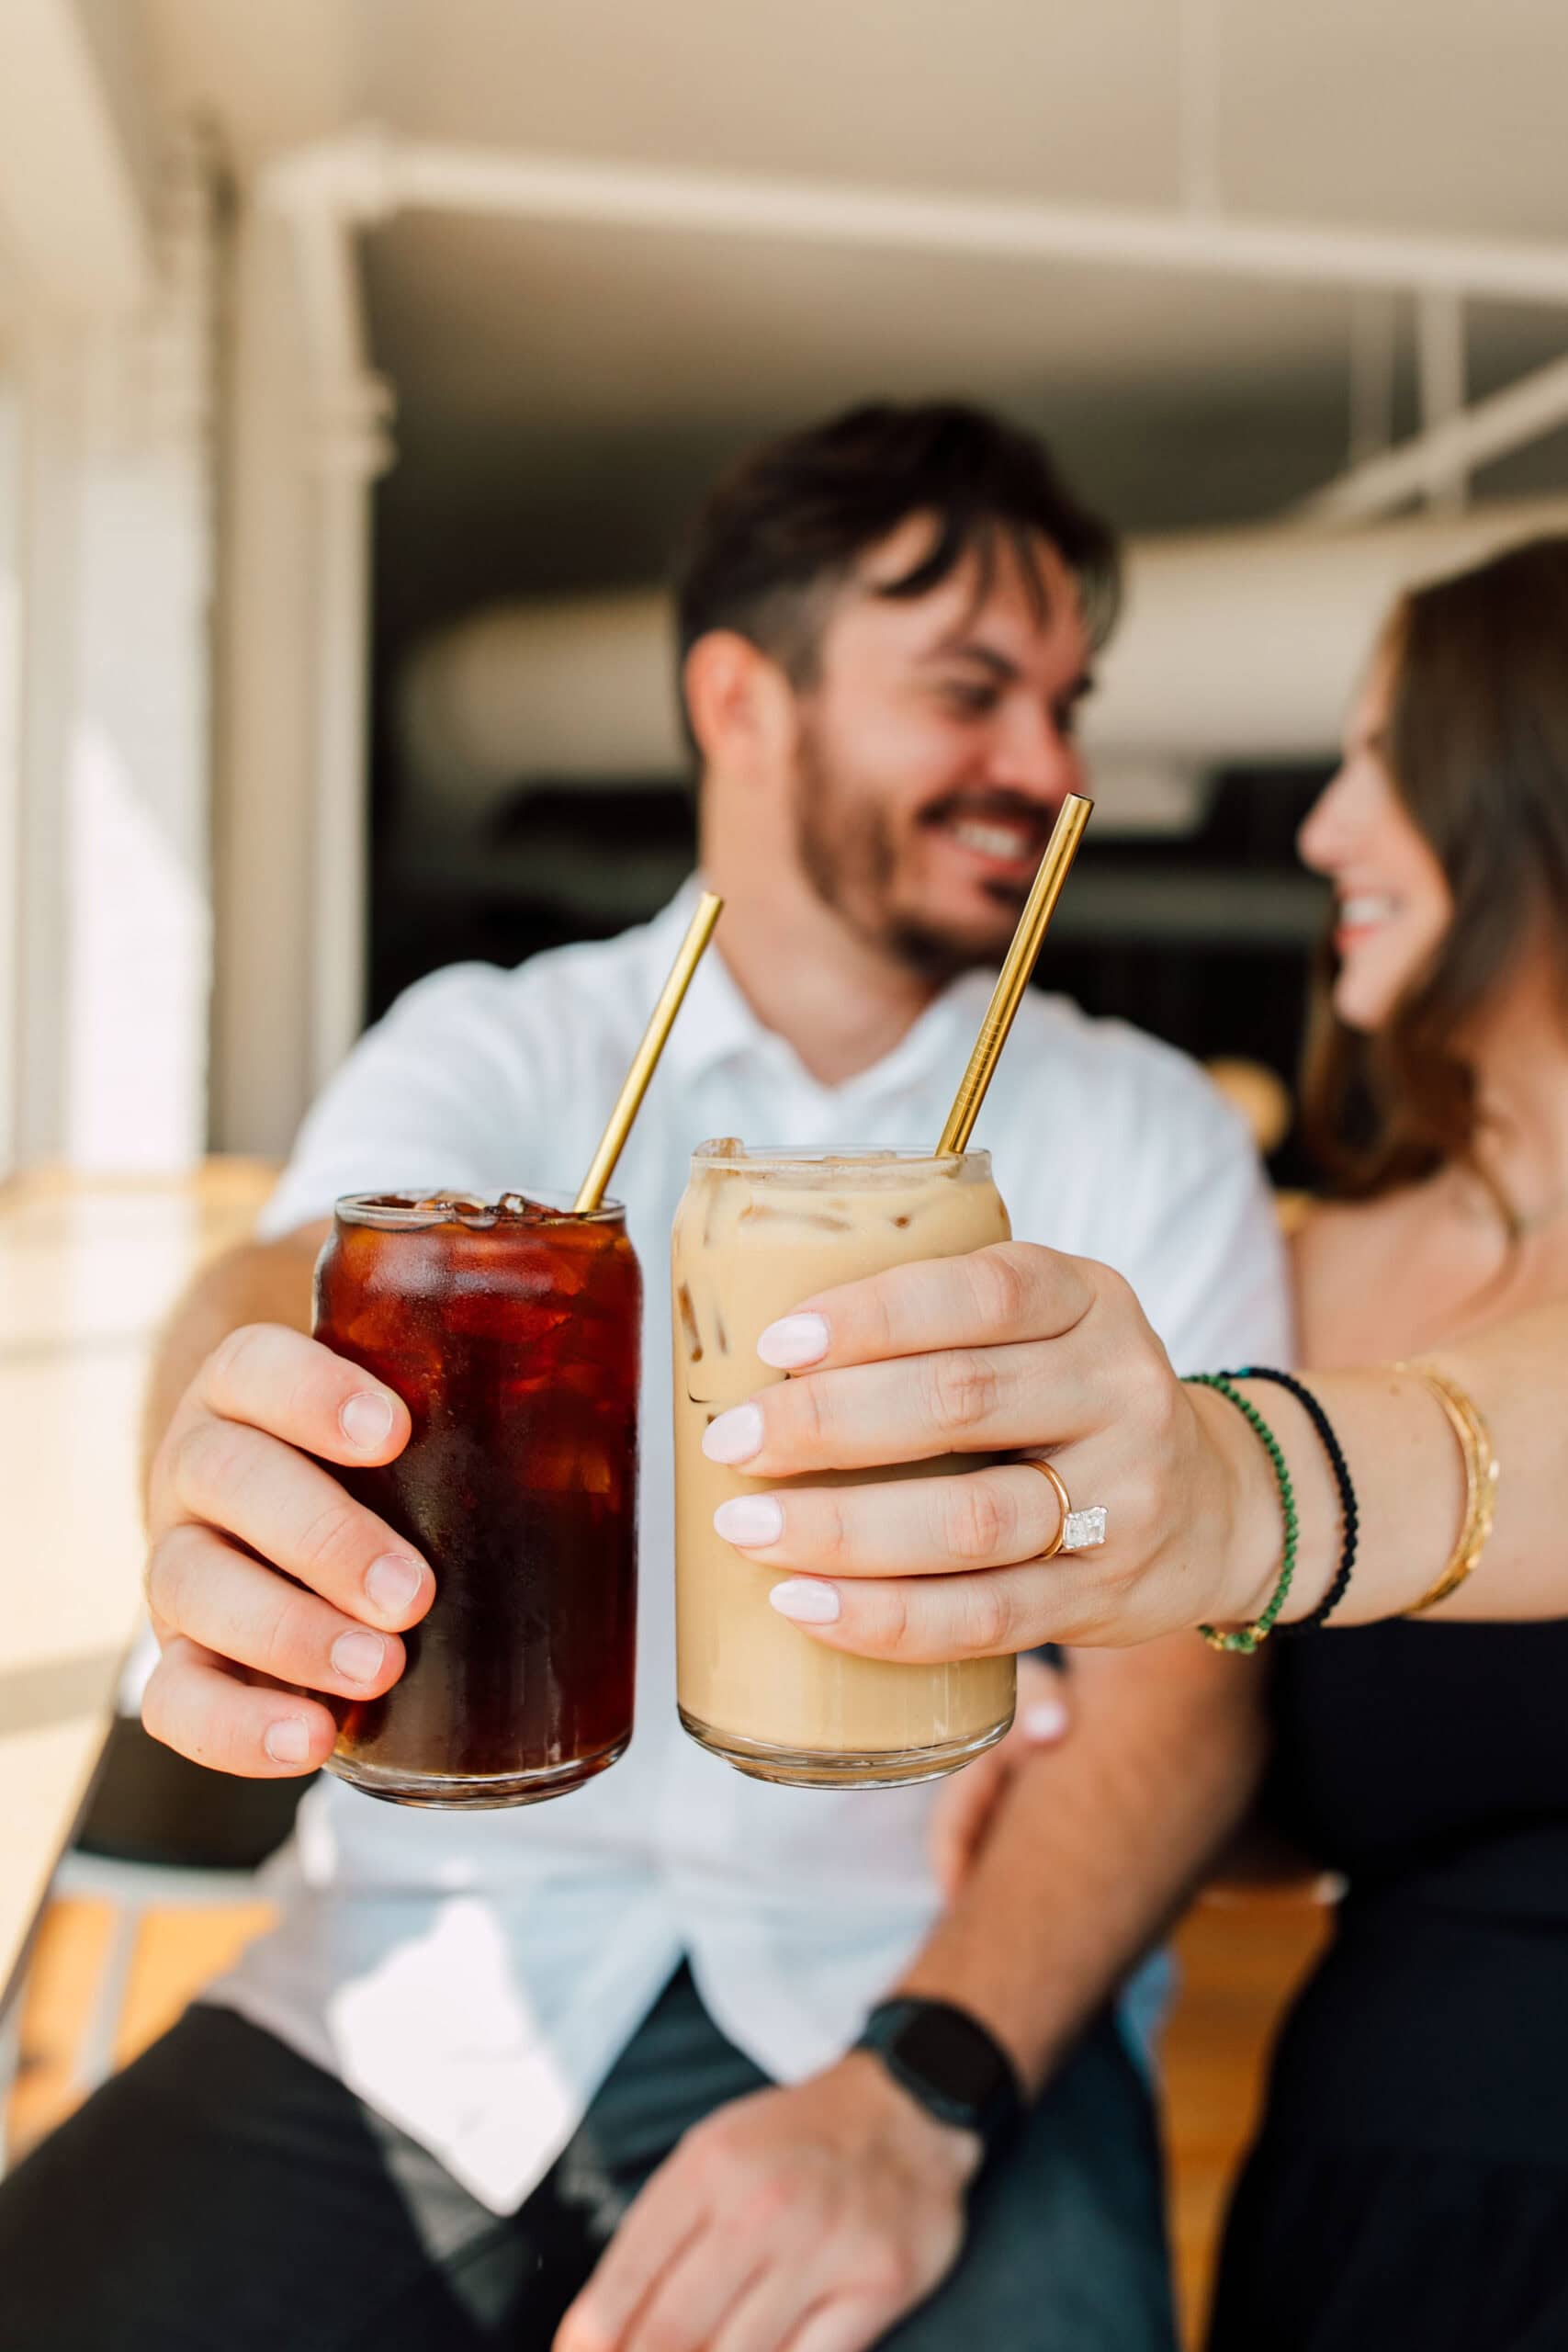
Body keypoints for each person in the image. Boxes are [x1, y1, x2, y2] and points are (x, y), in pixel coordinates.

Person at [0, 402, 1290, 2352]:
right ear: (737, 698)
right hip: (431, 1992)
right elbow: (286, 1272)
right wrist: (224, 1420)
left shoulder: (1148, 1138)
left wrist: (919, 2092)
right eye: (967, 690)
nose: (1046, 762)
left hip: (912, 2007)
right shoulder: (509, 1047)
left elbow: (1186, 1695)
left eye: (1063, 700)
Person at [695, 537, 1568, 2349]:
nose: (1320, 830)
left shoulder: (1253, 1401)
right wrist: (1105, 1747)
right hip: (1375, 2198)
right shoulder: (1319, 1264)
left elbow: (1359, 1477)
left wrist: (1227, 1491)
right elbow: (1340, 1775)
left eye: (1381, 757)